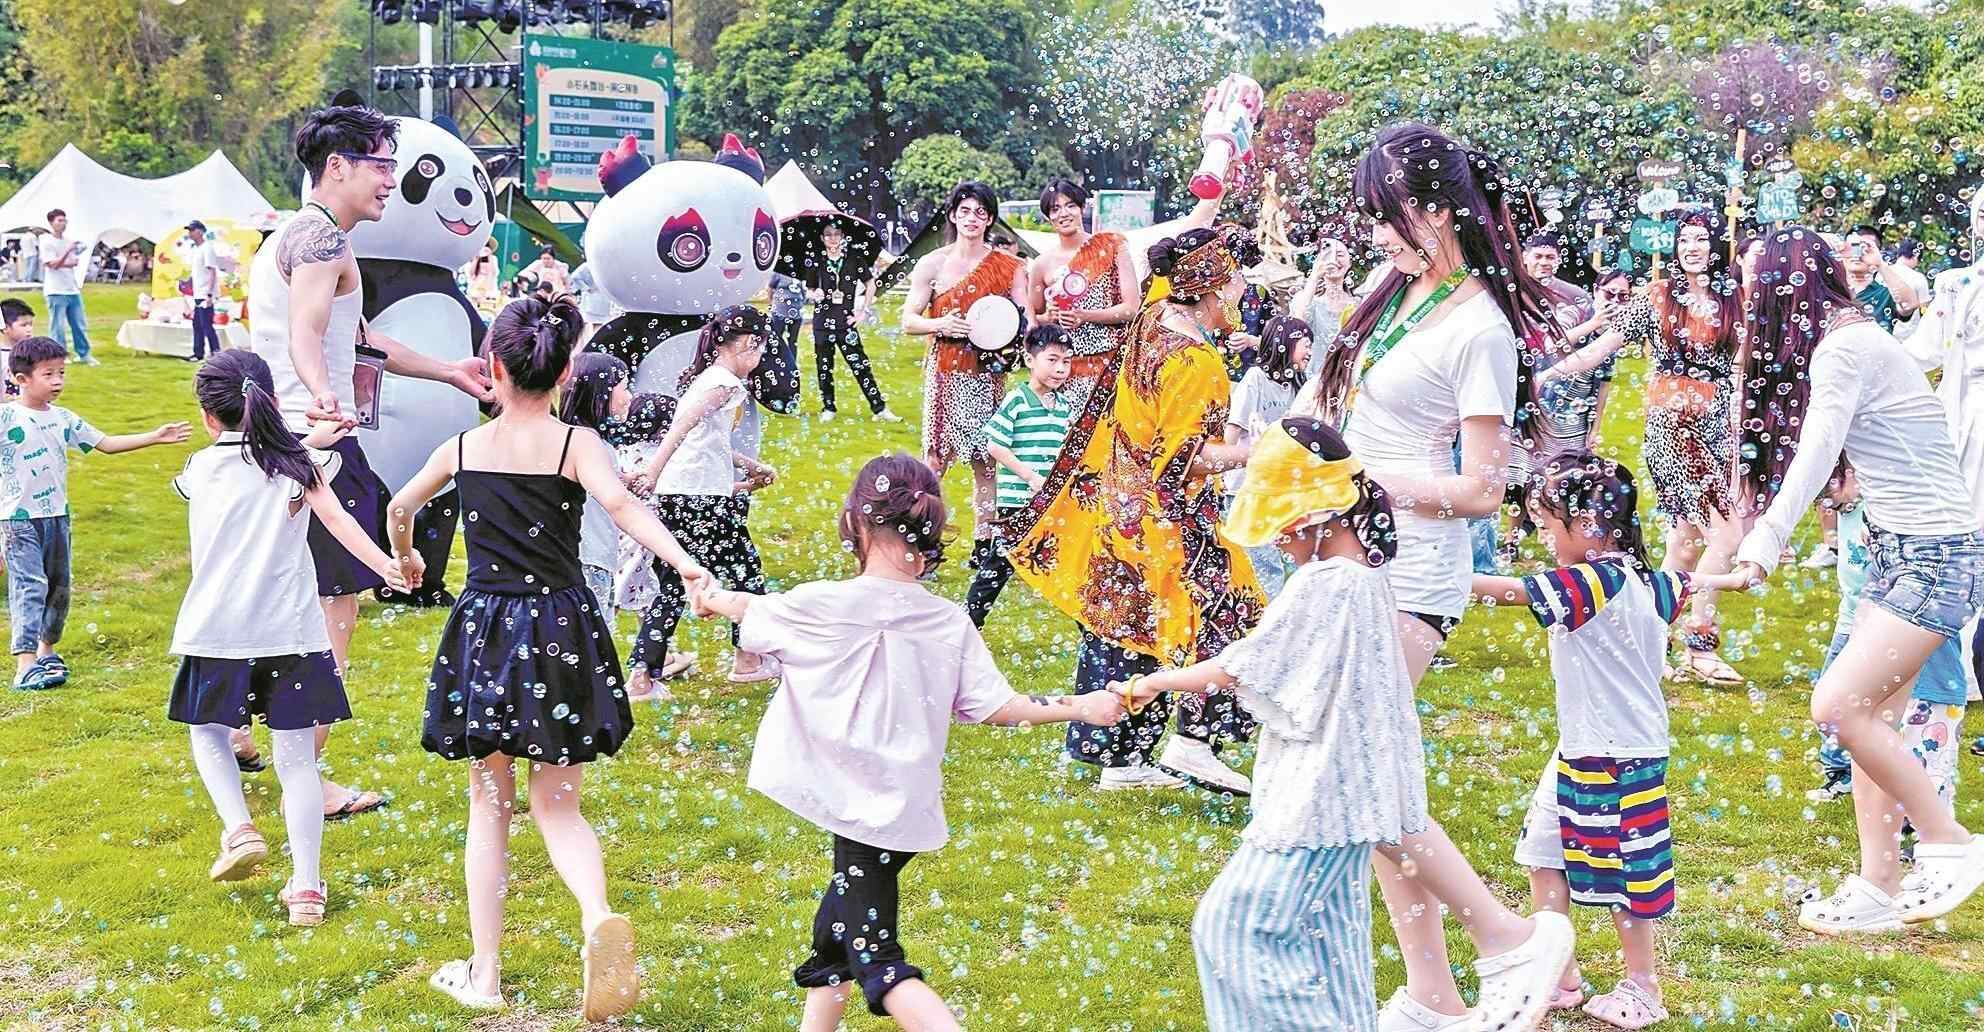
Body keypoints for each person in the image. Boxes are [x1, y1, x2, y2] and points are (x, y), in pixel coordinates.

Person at [690, 452, 1127, 1032]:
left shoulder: (820, 605)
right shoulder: (947, 621)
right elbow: (995, 706)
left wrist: (709, 594)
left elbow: (750, 609)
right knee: (836, 934)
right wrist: (1082, 706)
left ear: (855, 522)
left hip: (861, 808)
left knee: (877, 959)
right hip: (904, 806)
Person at [1297, 122, 1574, 1032]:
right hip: (1353, 560)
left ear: (1439, 210)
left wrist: (1360, 482)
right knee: (1372, 776)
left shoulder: (1480, 328)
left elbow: (1485, 490)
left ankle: (1509, 939)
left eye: (1389, 214)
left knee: (1353, 771)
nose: (1375, 232)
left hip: (1412, 574)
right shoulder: (1400, 291)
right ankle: (1434, 994)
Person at [390, 294, 709, 1021]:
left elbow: (401, 507)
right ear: (565, 372)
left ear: (493, 369)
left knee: (489, 803)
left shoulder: (462, 450)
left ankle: (485, 974)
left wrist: (406, 559)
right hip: (561, 627)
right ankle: (597, 915)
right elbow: (625, 508)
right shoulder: (577, 446)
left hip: (486, 634)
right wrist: (687, 565)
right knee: (558, 804)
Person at [1713, 226, 1984, 934]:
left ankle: (1950, 842)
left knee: (1838, 706)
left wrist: (1766, 539)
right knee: (1871, 720)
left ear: (1784, 283)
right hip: (1903, 549)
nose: (1743, 292)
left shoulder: (1846, 347)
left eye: (1751, 279)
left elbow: (1816, 449)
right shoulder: (1851, 340)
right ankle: (1877, 886)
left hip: (1934, 555)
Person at [1123, 417, 1427, 1032]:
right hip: (1353, 796)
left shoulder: (1327, 583)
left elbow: (1242, 665)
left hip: (1320, 800)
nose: (1280, 540)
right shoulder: (1365, 576)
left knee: (1230, 928)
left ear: (1317, 514)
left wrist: (1152, 682)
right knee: (1328, 940)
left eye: (1284, 524)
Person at [249, 102, 495, 820]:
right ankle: (310, 778)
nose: (390, 179)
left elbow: (358, 339)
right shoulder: (321, 241)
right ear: (338, 166)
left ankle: (236, 727)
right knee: (333, 614)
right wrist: (323, 395)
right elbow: (309, 333)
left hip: (285, 438)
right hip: (318, 444)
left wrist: (448, 370)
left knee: (281, 597)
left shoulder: (303, 235)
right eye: (382, 164)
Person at [1007, 225, 1266, 795]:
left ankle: (1119, 758)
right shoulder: (1195, 362)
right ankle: (1194, 743)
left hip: (1120, 506)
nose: (1243, 291)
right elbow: (1182, 461)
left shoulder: (1151, 321)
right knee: (1228, 614)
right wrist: (1261, 450)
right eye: (1235, 281)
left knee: (1126, 624)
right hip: (1169, 517)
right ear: (1209, 288)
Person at [168, 350, 410, 926]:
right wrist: (387, 565)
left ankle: (240, 828)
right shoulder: (302, 465)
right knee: (297, 763)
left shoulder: (199, 468)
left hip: (217, 631)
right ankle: (306, 891)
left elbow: (249, 455)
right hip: (293, 634)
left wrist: (307, 439)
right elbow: (338, 520)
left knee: (208, 733)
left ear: (208, 416)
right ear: (273, 403)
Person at [1473, 456, 1689, 1030]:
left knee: (1627, 876)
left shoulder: (1595, 580)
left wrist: (1424, 576)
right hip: (1584, 747)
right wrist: (1728, 577)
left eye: (1549, 524)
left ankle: (1644, 987)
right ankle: (1558, 976)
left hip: (1617, 755)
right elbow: (1687, 583)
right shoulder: (1651, 582)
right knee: (1542, 853)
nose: (1543, 537)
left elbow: (1507, 591)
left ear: (1590, 525)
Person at [1540, 209, 1748, 684]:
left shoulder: (1733, 300)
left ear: (1717, 246)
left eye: (1701, 239)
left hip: (1716, 428)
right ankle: (1700, 645)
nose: (1691, 247)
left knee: (1684, 546)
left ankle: (1649, 639)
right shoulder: (1658, 297)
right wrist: (1546, 375)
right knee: (1727, 538)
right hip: (1673, 430)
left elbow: (1740, 368)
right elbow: (1601, 349)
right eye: (1684, 239)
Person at [4, 336, 188, 692]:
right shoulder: (6, 417)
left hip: (57, 516)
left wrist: (154, 436)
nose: (57, 381)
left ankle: (46, 652)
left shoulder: (63, 418)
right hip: (17, 520)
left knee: (59, 587)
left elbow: (105, 444)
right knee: (30, 587)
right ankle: (24, 665)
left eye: (61, 373)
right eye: (48, 374)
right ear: (21, 378)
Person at [629, 305, 776, 683]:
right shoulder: (724, 383)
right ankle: (748, 661)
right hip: (701, 499)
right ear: (749, 342)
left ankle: (642, 676)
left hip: (681, 495)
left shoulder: (710, 378)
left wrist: (750, 466)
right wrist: (652, 471)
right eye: (761, 347)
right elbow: (682, 425)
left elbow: (707, 440)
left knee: (672, 586)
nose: (761, 357)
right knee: (746, 574)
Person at [900, 182, 1029, 565]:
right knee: (935, 461)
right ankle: (921, 542)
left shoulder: (1009, 266)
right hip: (945, 373)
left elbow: (1023, 319)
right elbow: (908, 321)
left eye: (981, 212)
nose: (972, 218)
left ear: (990, 219)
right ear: (953, 215)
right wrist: (940, 324)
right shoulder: (932, 264)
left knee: (986, 461)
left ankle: (983, 544)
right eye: (965, 211)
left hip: (988, 375)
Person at [965, 324, 1074, 627]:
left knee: (1070, 565)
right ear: (1029, 360)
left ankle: (1093, 634)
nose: (1060, 368)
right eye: (1052, 360)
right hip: (1018, 502)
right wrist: (1030, 477)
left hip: (1050, 502)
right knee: (998, 566)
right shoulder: (1018, 399)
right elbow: (995, 445)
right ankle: (969, 621)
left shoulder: (1064, 406)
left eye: (1066, 361)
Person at [1025, 178, 1140, 414]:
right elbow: (1034, 317)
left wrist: (1085, 315)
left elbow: (1131, 308)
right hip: (1063, 367)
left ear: (1082, 208)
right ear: (1048, 216)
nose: (1063, 214)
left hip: (1110, 361)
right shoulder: (1041, 264)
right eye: (1055, 208)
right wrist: (1050, 317)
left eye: (1070, 205)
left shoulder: (1111, 246)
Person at [1224, 315, 1311, 598]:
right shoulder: (1256, 379)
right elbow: (1232, 432)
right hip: (1246, 489)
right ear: (1285, 344)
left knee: (1293, 562)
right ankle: (1266, 616)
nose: (1310, 351)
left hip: (1280, 488)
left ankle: (1285, 611)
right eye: (1305, 344)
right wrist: (1220, 479)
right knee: (1265, 566)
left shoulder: (1298, 385)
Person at [556, 352, 634, 617]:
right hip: (591, 556)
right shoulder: (592, 445)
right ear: (601, 393)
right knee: (594, 633)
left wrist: (622, 479)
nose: (629, 397)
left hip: (578, 554)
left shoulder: (570, 439)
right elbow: (618, 505)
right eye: (625, 387)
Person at [805, 221, 900, 423]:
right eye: (828, 234)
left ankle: (879, 408)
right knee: (824, 367)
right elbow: (809, 289)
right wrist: (815, 294)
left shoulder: (853, 259)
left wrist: (863, 311)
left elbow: (871, 284)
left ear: (842, 237)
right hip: (822, 323)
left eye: (836, 234)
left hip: (846, 322)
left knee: (861, 366)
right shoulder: (817, 262)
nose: (832, 238)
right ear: (822, 238)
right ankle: (828, 407)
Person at [1290, 237, 1357, 382]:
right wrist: (1315, 276)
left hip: (1347, 380)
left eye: (1340, 254)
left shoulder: (1358, 305)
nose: (1333, 260)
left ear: (1350, 262)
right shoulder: (1308, 300)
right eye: (1327, 255)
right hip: (1312, 380)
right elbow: (1296, 325)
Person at [38, 209, 95, 366]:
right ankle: (59, 355)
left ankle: (84, 354)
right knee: (58, 326)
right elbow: (52, 264)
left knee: (79, 324)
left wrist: (68, 257)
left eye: (64, 220)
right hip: (55, 290)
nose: (63, 224)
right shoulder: (46, 241)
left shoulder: (69, 240)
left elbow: (74, 260)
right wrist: (67, 253)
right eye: (59, 220)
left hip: (72, 288)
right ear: (51, 223)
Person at [1841, 224, 1919, 329]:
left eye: (1865, 248)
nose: (1857, 254)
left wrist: (1880, 264)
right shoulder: (1830, 289)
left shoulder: (1884, 294)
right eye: (1853, 247)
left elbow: (1909, 304)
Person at [186, 220, 222, 361]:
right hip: (198, 292)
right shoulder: (196, 249)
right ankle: (198, 353)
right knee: (197, 324)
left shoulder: (207, 248)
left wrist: (209, 294)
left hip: (205, 293)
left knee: (206, 325)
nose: (190, 233)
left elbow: (212, 271)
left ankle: (216, 353)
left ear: (200, 231)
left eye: (192, 230)